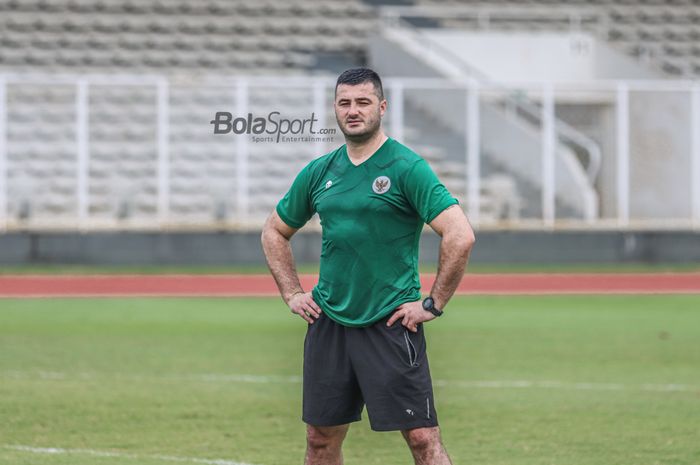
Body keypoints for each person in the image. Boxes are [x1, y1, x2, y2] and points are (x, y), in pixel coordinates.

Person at [261, 68, 475, 465]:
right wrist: (292, 292)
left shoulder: (407, 168)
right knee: (319, 440)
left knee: (422, 438)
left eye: (362, 102)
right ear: (335, 109)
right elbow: (274, 231)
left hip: (391, 324)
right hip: (329, 323)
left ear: (382, 107)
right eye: (345, 103)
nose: (353, 110)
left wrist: (432, 304)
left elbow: (460, 235)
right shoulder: (319, 172)